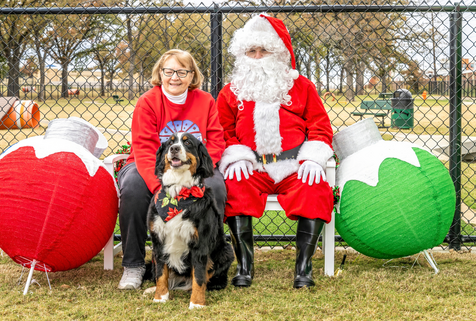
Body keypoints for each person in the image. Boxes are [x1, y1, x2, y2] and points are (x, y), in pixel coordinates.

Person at [216, 14, 334, 289]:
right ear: (243, 54)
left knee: (314, 188)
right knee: (234, 186)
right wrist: (235, 155)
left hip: (294, 164)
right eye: (251, 51)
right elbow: (222, 130)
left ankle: (303, 267)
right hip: (252, 167)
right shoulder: (230, 92)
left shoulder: (302, 86)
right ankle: (245, 264)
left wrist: (314, 158)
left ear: (278, 52)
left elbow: (320, 125)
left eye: (264, 50)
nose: (257, 56)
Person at [117, 49, 226, 290]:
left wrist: (199, 173)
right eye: (169, 71)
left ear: (192, 75)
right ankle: (134, 265)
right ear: (160, 73)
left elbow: (216, 142)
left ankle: (203, 260)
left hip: (193, 170)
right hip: (152, 168)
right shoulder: (148, 102)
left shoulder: (206, 100)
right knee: (134, 188)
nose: (174, 77)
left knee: (216, 186)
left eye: (181, 72)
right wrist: (163, 189)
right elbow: (144, 149)